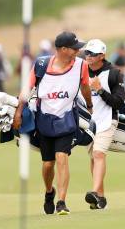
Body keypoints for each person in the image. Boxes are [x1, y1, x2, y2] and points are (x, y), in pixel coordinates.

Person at [12, 31, 94, 216]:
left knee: (61, 158)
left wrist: (89, 105)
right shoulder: (41, 65)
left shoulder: (81, 65)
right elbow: (27, 89)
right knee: (48, 164)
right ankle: (50, 192)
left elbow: (85, 86)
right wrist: (18, 112)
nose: (78, 51)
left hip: (67, 120)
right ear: (63, 49)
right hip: (45, 120)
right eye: (74, 48)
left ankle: (61, 202)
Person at [82, 39, 125, 210]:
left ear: (102, 56)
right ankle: (100, 199)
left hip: (108, 120)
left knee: (99, 154)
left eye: (92, 54)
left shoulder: (114, 73)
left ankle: (93, 192)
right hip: (88, 122)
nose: (88, 56)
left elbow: (118, 102)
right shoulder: (82, 71)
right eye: (87, 53)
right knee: (94, 158)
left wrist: (100, 90)